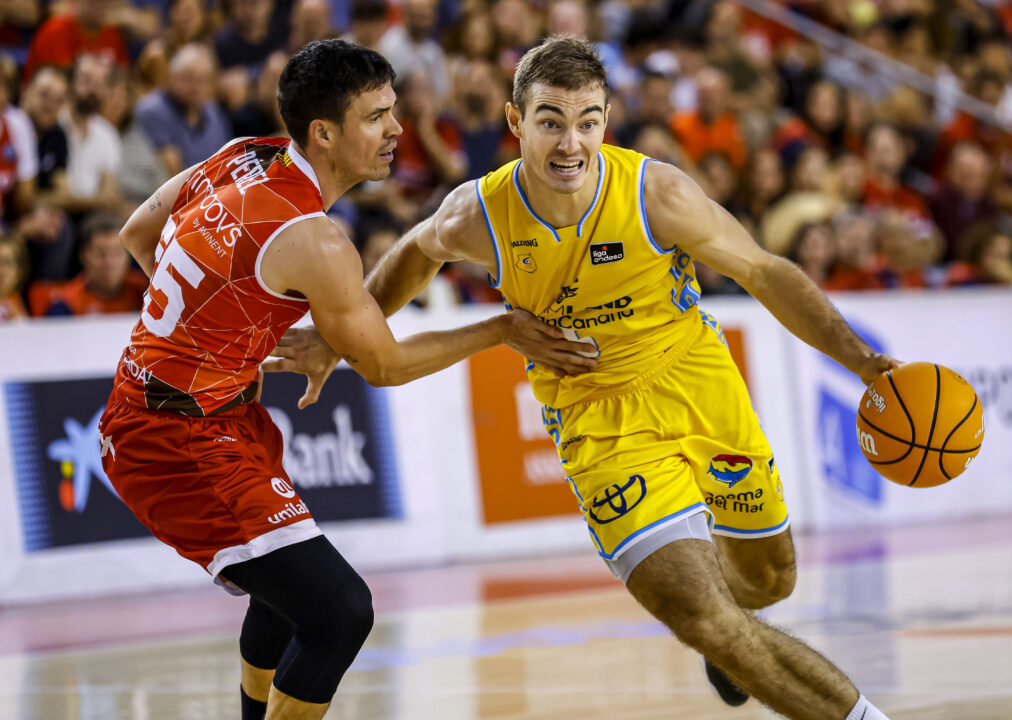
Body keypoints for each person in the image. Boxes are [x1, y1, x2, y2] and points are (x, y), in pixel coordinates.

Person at [273, 36, 897, 720]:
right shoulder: (479, 213)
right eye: (550, 121)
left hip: (696, 382)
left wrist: (864, 362)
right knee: (701, 616)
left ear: (607, 119)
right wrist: (342, 336)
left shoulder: (654, 192)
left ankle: (733, 644)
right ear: (516, 122)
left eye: (587, 121)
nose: (570, 143)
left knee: (769, 582)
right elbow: (416, 253)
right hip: (595, 417)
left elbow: (766, 272)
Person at [97, 39, 594, 720]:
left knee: (290, 595)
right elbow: (384, 366)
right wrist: (501, 329)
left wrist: (218, 338)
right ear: (324, 133)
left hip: (200, 411)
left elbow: (139, 230)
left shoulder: (241, 156)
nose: (397, 129)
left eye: (393, 110)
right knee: (340, 613)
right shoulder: (316, 240)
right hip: (175, 437)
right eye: (377, 117)